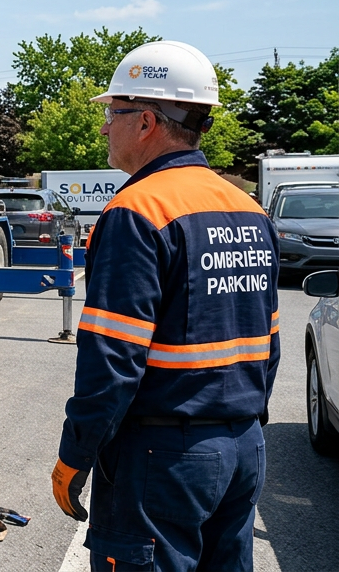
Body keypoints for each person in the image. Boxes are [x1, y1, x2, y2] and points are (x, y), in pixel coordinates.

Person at [50, 41, 280, 570]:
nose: (105, 127)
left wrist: (75, 455)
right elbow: (269, 342)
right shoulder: (246, 208)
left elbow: (112, 360)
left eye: (113, 113)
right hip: (242, 447)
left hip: (163, 460)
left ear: (147, 120)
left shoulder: (138, 210)